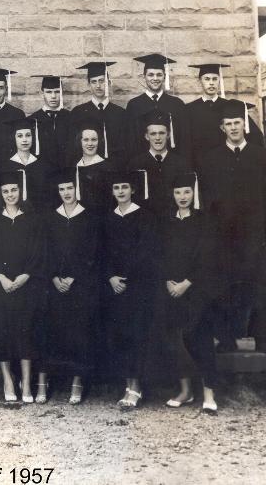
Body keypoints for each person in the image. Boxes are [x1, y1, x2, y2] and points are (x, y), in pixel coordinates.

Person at [147, 173, 219, 413]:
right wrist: (168, 281)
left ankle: (209, 393)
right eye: (178, 192)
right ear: (173, 194)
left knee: (200, 339)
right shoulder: (165, 221)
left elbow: (208, 256)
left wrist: (187, 283)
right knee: (175, 341)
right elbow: (158, 254)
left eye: (187, 192)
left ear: (193, 193)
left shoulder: (204, 220)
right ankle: (186, 391)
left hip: (197, 290)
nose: (182, 197)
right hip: (171, 290)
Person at [200, 100, 266, 351]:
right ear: (222, 127)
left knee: (258, 285)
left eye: (238, 122)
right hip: (224, 236)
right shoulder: (211, 159)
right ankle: (227, 339)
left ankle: (261, 338)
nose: (234, 128)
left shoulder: (260, 155)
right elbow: (207, 199)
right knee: (226, 286)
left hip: (254, 235)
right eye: (229, 124)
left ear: (245, 124)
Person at [0, 170, 45, 403]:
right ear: (1, 194)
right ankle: (8, 379)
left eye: (14, 190)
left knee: (25, 333)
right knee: (1, 333)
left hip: (26, 285)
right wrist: (2, 278)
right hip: (0, 286)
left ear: (21, 192)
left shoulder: (32, 219)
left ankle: (26, 382)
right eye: (5, 191)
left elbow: (38, 251)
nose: (10, 194)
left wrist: (25, 276)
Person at [40, 167, 101, 405]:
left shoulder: (89, 217)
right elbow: (46, 251)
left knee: (79, 334)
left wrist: (74, 277)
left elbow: (92, 253)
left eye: (70, 188)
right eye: (62, 189)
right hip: (55, 285)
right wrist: (55, 278)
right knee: (53, 332)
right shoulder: (51, 217)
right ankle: (46, 383)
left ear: (77, 189)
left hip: (80, 285)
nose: (66, 192)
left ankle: (77, 382)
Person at [102, 170, 158, 408]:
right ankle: (128, 384)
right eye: (117, 188)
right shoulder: (107, 218)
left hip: (138, 287)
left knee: (137, 335)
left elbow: (147, 253)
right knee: (120, 336)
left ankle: (136, 387)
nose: (121, 191)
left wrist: (128, 279)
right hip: (115, 287)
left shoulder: (145, 217)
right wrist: (111, 277)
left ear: (133, 190)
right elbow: (101, 252)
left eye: (125, 187)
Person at [185, 63, 263, 166]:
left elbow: (255, 136)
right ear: (200, 81)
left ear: (219, 81)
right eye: (207, 79)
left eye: (214, 79)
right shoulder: (189, 109)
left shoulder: (230, 106)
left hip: (228, 165)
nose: (211, 83)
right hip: (199, 165)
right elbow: (185, 142)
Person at [128, 109, 191, 218]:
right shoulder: (136, 164)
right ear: (146, 136)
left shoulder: (181, 163)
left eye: (162, 133)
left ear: (168, 135)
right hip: (144, 221)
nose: (158, 138)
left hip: (173, 221)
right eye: (153, 134)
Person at [125, 54, 188, 158]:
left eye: (159, 74)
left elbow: (184, 140)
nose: (155, 78)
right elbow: (130, 141)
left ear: (164, 76)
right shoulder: (134, 105)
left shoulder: (177, 104)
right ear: (144, 76)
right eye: (151, 75)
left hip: (172, 165)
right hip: (143, 164)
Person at [69, 61, 128, 166]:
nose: (98, 86)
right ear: (88, 85)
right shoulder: (78, 113)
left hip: (115, 169)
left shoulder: (121, 114)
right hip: (87, 170)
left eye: (102, 81)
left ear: (109, 83)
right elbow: (74, 148)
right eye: (94, 82)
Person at [0, 118, 56, 212]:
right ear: (14, 138)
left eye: (28, 135)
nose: (24, 140)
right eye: (20, 136)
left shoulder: (45, 166)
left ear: (33, 137)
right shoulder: (3, 167)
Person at [28, 75, 71, 167]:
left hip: (67, 174)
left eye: (57, 92)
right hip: (42, 175)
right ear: (42, 93)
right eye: (48, 92)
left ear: (62, 93)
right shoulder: (32, 120)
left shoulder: (71, 117)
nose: (53, 96)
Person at [73, 118, 115, 214]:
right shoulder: (75, 167)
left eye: (94, 140)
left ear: (99, 141)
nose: (90, 144)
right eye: (86, 140)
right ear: (80, 142)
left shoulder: (108, 167)